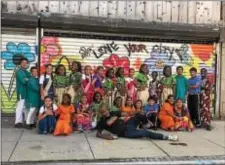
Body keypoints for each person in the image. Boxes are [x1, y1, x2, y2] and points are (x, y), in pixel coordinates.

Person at [96, 103, 178, 141]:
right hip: (127, 132)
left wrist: (137, 112)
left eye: (106, 110)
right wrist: (107, 137)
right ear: (101, 113)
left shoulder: (112, 113)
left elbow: (127, 113)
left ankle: (145, 125)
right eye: (103, 112)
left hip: (128, 124)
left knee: (139, 115)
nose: (106, 113)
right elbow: (98, 134)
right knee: (146, 133)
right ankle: (166, 137)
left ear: (108, 109)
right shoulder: (102, 121)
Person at [15, 58, 30, 128]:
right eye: (23, 62)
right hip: (21, 92)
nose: (24, 64)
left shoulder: (26, 72)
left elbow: (29, 79)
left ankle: (27, 121)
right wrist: (27, 79)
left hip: (27, 92)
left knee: (26, 107)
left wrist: (27, 79)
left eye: (26, 62)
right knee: (20, 107)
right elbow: (23, 81)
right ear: (20, 63)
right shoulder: (18, 72)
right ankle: (18, 122)